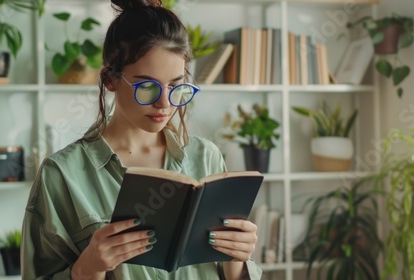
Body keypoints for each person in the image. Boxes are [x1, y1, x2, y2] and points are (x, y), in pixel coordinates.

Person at [21, 0, 263, 279]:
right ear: (110, 79)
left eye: (175, 85)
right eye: (147, 86)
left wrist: (236, 258)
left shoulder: (206, 156)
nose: (164, 103)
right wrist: (88, 267)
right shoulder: (62, 174)